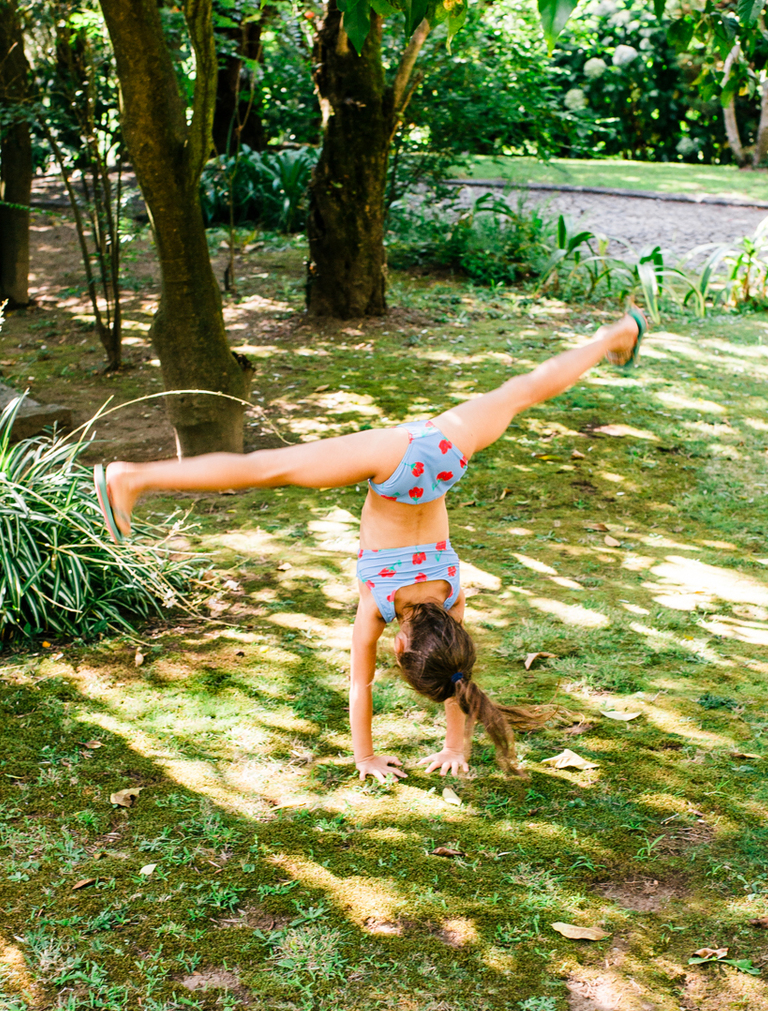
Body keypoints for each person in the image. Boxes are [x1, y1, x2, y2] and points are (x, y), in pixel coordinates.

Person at [94, 309, 645, 780]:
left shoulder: (452, 595)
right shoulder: (379, 604)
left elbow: (460, 678)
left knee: (522, 390)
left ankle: (613, 335)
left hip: (443, 452)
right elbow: (361, 685)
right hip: (397, 463)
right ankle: (131, 477)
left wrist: (458, 747)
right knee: (266, 468)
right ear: (401, 649)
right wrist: (367, 756)